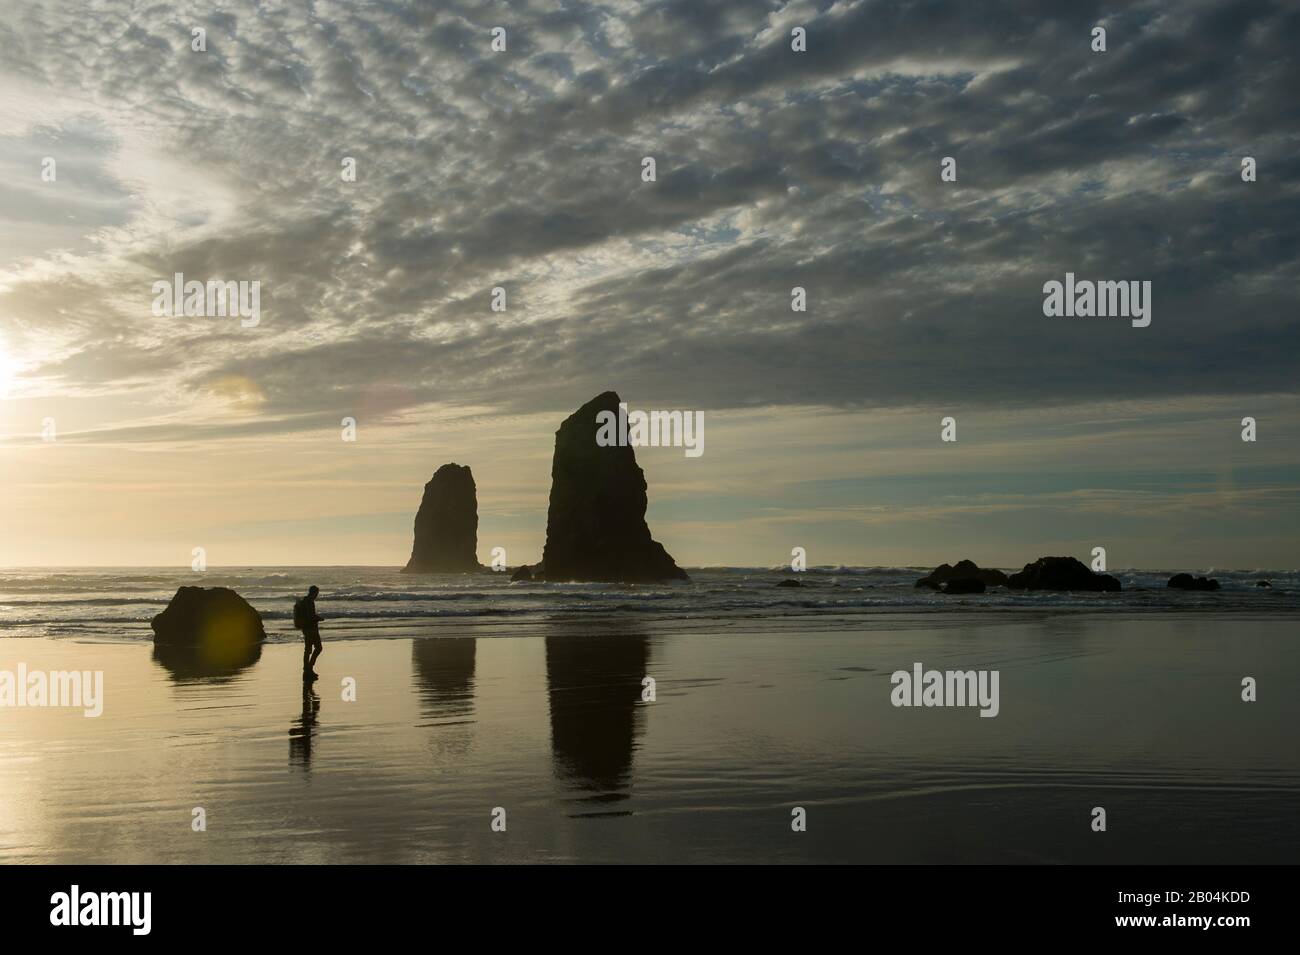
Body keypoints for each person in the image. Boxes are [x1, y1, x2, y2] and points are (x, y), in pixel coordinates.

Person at [295, 585, 324, 676]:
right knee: (318, 648)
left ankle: (307, 669)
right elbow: (310, 616)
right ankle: (309, 668)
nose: (317, 595)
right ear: (314, 593)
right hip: (311, 629)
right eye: (317, 593)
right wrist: (319, 618)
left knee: (308, 650)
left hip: (306, 628)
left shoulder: (304, 601)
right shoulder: (309, 602)